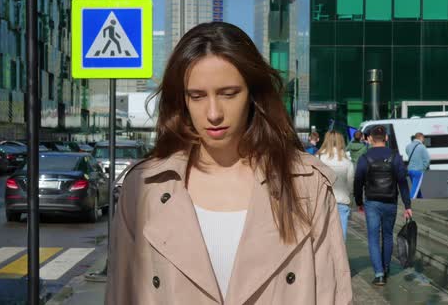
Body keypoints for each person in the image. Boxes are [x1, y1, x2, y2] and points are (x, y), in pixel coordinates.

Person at [105, 22, 352, 305]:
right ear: (181, 100)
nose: (213, 113)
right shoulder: (143, 188)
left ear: (253, 94)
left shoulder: (306, 185)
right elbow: (120, 294)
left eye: (229, 93)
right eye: (197, 96)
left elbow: (333, 296)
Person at [354, 125, 412, 286]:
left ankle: (379, 274)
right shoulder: (395, 157)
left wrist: (359, 202)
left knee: (373, 238)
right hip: (390, 202)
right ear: (386, 138)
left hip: (372, 202)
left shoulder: (364, 158)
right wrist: (407, 205)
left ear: (370, 139)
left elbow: (358, 181)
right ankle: (386, 268)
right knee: (387, 235)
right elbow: (402, 182)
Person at [318, 131, 355, 240]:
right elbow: (350, 184)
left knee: (324, 235)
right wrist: (351, 199)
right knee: (341, 234)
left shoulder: (318, 158)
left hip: (323, 201)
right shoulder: (347, 161)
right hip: (342, 200)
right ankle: (340, 256)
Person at [405, 133, 430, 199]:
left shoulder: (408, 146)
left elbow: (408, 154)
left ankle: (420, 198)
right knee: (415, 188)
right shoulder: (422, 146)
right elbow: (427, 159)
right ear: (421, 138)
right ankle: (410, 202)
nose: (423, 140)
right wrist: (423, 168)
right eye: (423, 138)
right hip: (418, 170)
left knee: (415, 186)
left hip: (410, 170)